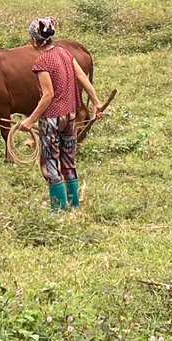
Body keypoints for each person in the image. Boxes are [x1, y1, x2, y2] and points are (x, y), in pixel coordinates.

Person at [16, 17, 103, 210]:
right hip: (70, 116)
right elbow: (82, 77)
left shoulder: (42, 62)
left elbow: (48, 95)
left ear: (34, 40)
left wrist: (30, 120)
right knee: (68, 160)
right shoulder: (65, 53)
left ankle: (58, 208)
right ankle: (74, 203)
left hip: (52, 119)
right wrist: (96, 102)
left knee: (51, 162)